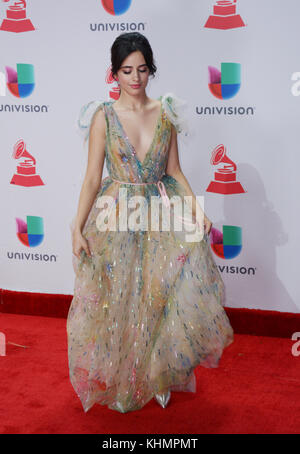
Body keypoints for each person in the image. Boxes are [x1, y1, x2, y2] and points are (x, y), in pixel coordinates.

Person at [67, 32, 234, 414]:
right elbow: (93, 178)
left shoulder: (166, 112)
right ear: (114, 74)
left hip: (160, 213)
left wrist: (197, 210)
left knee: (158, 297)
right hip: (115, 217)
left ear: (151, 70)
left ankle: (155, 374)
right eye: (127, 70)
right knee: (119, 298)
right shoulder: (102, 117)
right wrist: (76, 226)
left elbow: (174, 170)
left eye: (142, 69)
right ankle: (123, 373)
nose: (136, 78)